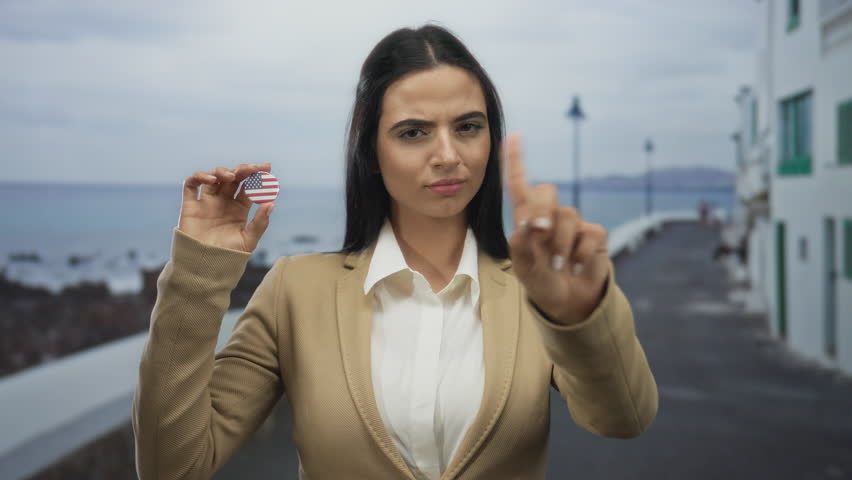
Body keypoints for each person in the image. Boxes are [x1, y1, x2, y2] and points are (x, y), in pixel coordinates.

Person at [132, 24, 658, 480]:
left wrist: (578, 316)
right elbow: (172, 467)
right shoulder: (295, 292)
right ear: (372, 151)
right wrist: (198, 276)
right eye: (413, 132)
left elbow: (625, 417)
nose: (447, 155)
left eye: (468, 127)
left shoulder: (534, 293)